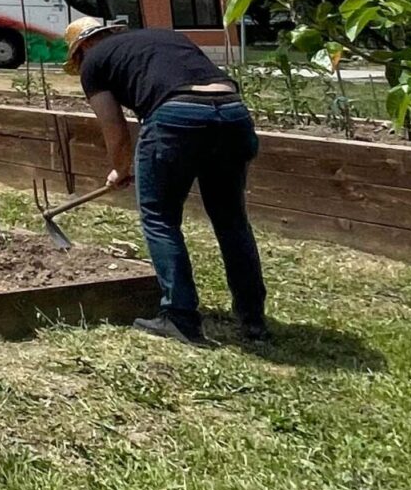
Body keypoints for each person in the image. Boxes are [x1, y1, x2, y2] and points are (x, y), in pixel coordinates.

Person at [64, 17, 269, 348]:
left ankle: (180, 318)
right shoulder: (162, 37)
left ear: (83, 47)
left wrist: (120, 168)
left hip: (176, 119)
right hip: (232, 113)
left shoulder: (95, 63)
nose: (80, 64)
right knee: (231, 221)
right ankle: (253, 320)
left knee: (160, 219)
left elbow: (113, 128)